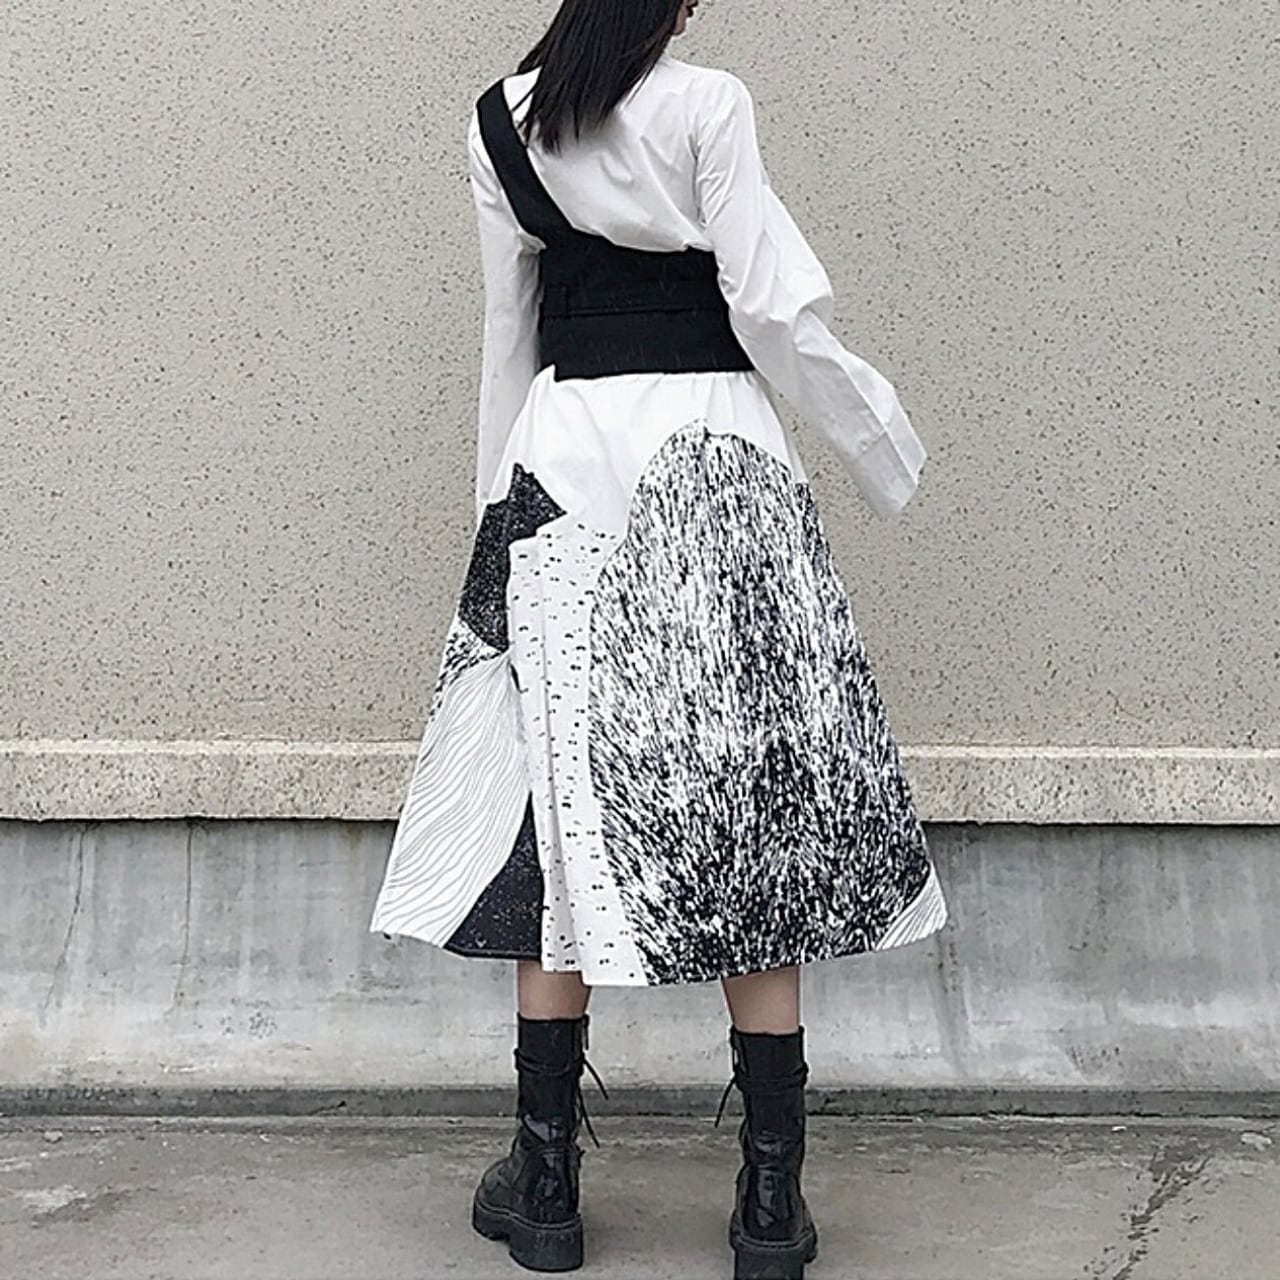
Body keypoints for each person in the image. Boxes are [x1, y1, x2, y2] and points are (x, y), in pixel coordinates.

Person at [370, 0, 949, 1274]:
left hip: (563, 459)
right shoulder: (707, 104)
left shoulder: (500, 121)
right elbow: (769, 305)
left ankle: (546, 1185)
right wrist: (877, 446)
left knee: (556, 810)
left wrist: (497, 508)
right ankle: (767, 1201)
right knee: (752, 808)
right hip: (715, 456)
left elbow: (509, 328)